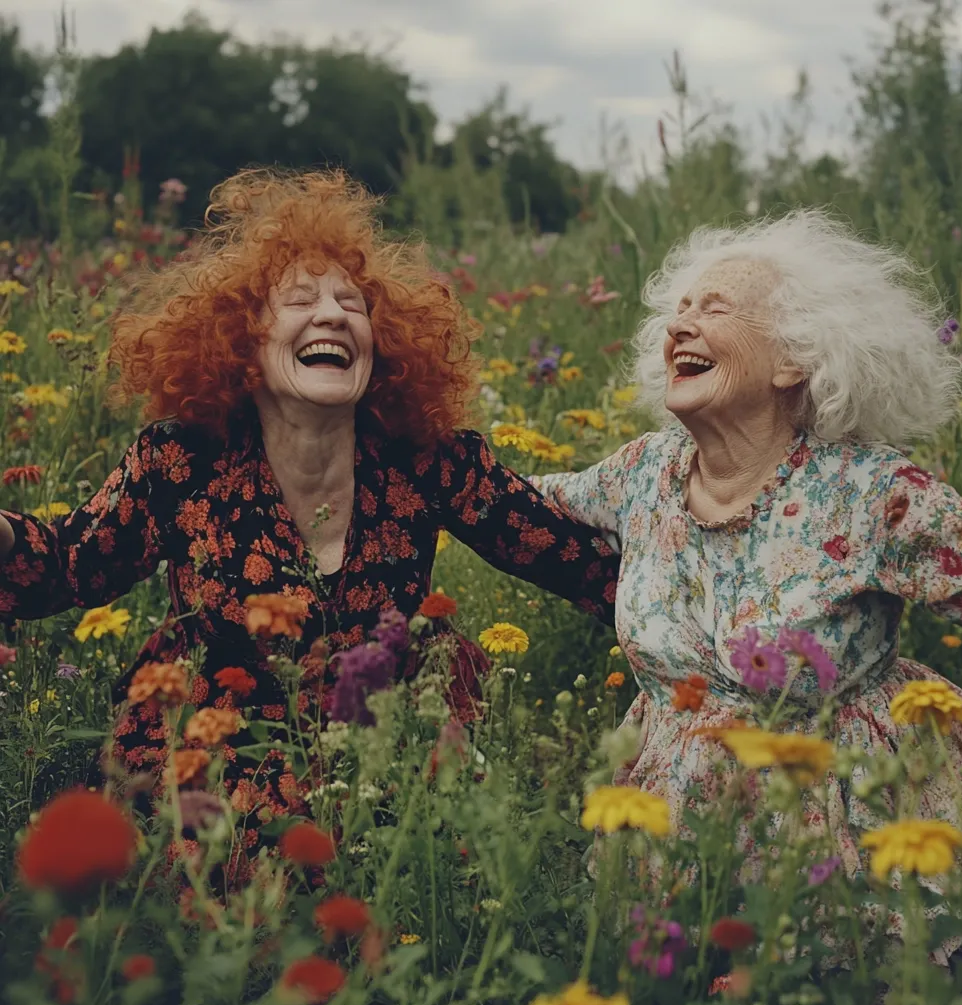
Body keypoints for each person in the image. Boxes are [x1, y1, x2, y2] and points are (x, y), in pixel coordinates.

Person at [0, 168, 619, 828]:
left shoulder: (429, 458)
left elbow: (575, 560)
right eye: (299, 301)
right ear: (244, 339)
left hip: (385, 730)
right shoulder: (180, 458)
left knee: (429, 869)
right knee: (222, 864)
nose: (331, 314)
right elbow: (72, 563)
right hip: (223, 735)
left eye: (353, 306)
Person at [531, 209, 962, 937]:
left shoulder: (868, 492)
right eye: (679, 312)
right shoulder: (643, 472)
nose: (680, 326)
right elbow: (515, 502)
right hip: (681, 836)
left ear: (794, 361)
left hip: (848, 840)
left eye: (715, 308)